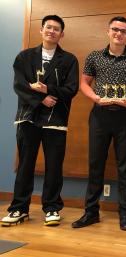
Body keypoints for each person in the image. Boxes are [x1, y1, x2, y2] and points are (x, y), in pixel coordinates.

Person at [71, 16, 126, 231]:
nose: (119, 33)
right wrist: (96, 98)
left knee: (124, 166)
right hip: (100, 115)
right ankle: (91, 212)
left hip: (125, 117)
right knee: (95, 163)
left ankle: (125, 214)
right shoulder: (94, 56)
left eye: (123, 31)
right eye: (115, 29)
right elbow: (84, 83)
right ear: (108, 32)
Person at [1, 15, 79, 227]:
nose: (51, 31)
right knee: (25, 165)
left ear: (62, 34)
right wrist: (41, 98)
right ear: (41, 30)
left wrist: (49, 90)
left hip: (56, 120)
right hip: (28, 119)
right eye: (48, 27)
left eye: (56, 29)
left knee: (54, 166)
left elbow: (71, 89)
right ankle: (19, 208)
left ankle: (52, 208)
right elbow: (19, 86)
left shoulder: (69, 59)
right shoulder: (24, 57)